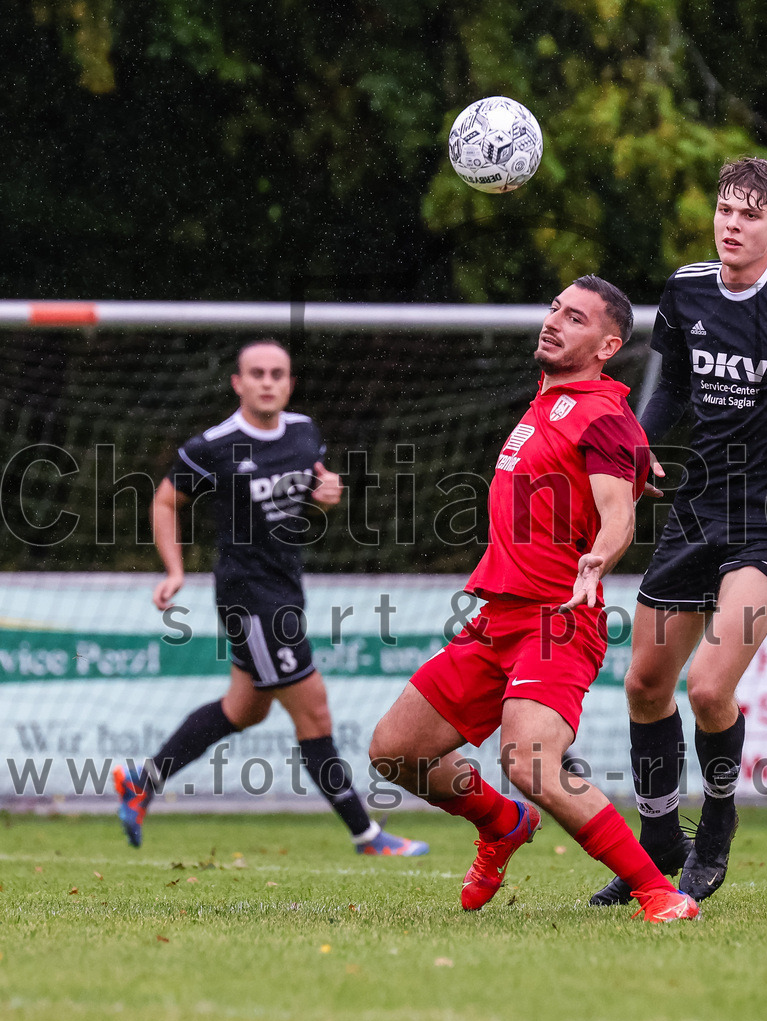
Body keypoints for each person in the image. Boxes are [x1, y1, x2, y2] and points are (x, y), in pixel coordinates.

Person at [369, 275, 700, 923]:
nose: (553, 321)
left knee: (531, 761)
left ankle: (658, 892)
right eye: (554, 309)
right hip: (497, 618)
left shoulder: (604, 415)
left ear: (608, 344)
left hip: (558, 619)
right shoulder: (549, 402)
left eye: (574, 318)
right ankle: (502, 825)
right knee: (395, 752)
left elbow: (617, 513)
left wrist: (601, 554)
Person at [590, 157, 767, 907]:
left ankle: (714, 828)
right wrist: (642, 448)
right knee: (645, 684)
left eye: (749, 214)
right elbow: (673, 381)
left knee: (710, 687)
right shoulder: (685, 290)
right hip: (696, 510)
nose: (732, 224)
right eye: (724, 210)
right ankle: (654, 845)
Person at [113, 339, 428, 858]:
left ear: (289, 383)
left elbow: (319, 490)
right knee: (316, 714)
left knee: (244, 709)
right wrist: (173, 570)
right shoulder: (215, 445)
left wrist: (328, 496)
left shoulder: (304, 432)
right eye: (256, 373)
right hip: (248, 596)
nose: (266, 381)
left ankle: (142, 782)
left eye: (277, 374)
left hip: (286, 588)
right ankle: (366, 834)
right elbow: (166, 501)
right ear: (238, 383)